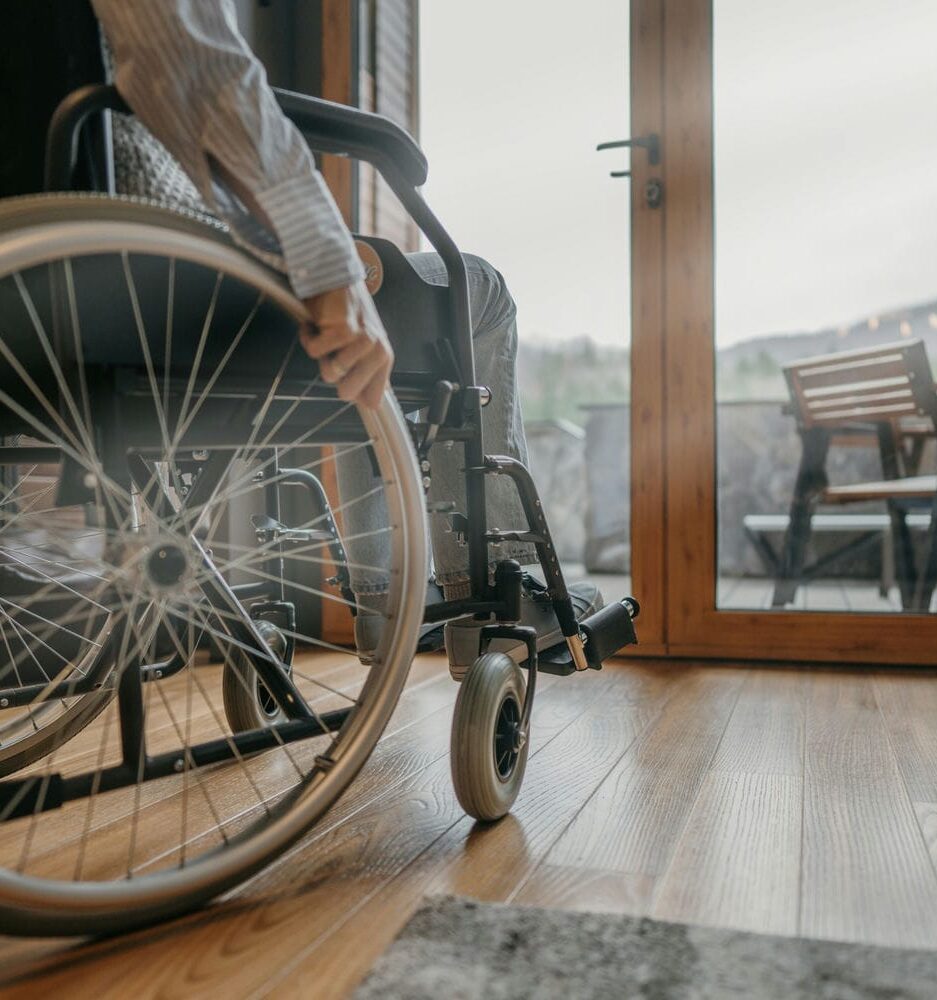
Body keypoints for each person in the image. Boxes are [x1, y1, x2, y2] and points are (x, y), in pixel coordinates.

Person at [93, 0, 602, 677]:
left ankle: (379, 602)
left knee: (373, 313)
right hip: (190, 283)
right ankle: (500, 599)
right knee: (482, 287)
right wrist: (326, 255)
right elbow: (195, 63)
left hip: (78, 295)